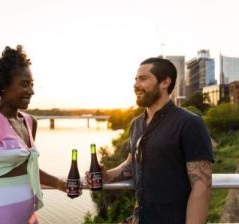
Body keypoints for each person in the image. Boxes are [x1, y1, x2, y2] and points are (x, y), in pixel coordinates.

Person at [86, 57, 214, 223]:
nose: (136, 85)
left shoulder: (189, 123)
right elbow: (133, 162)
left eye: (143, 79)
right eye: (136, 79)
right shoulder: (136, 124)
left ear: (165, 82)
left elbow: (201, 186)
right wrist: (107, 175)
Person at [0, 45, 67, 224]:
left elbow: (28, 168)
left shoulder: (30, 122)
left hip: (30, 219)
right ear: (3, 86)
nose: (31, 91)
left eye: (32, 84)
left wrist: (58, 183)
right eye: (24, 84)